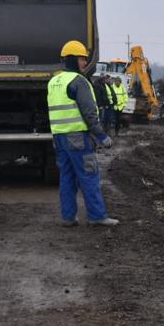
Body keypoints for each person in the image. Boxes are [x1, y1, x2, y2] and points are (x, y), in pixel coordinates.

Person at [47, 40, 118, 227]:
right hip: (78, 138)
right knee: (89, 176)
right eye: (81, 59)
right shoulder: (79, 81)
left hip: (59, 138)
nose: (85, 63)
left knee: (67, 178)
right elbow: (89, 112)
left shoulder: (54, 81)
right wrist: (101, 136)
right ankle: (97, 216)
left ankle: (68, 217)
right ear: (71, 59)